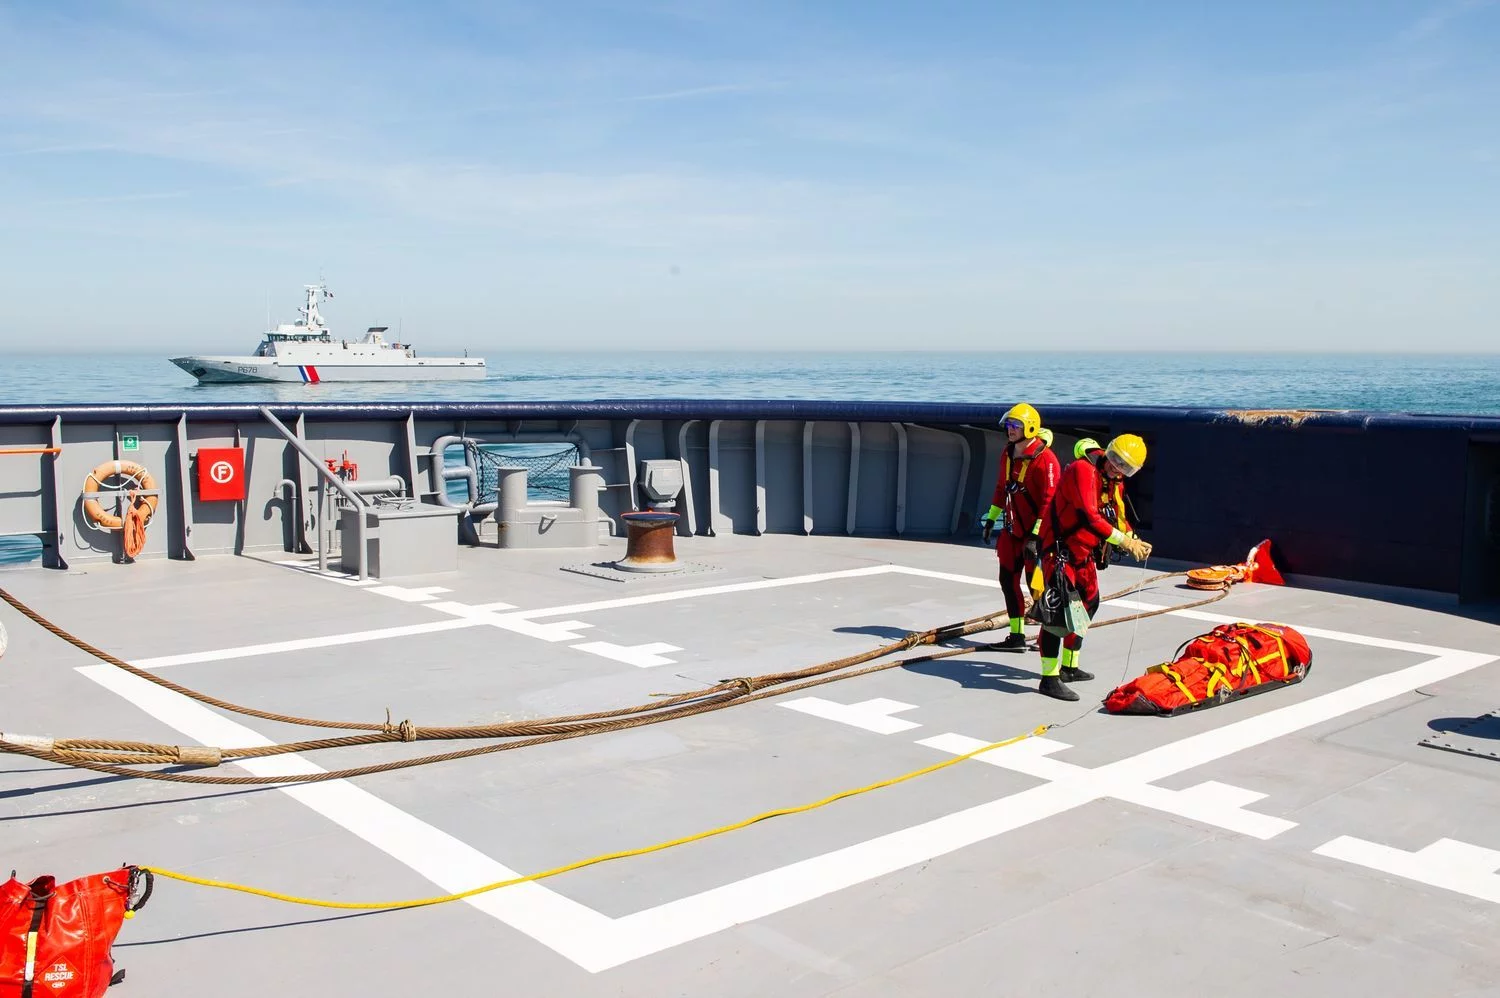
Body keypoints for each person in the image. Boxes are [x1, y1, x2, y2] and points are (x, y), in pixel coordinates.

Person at [1032, 434, 1153, 701]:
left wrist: (1133, 539)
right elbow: (1090, 516)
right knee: (1056, 615)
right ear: (1107, 452)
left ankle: (1069, 666)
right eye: (1115, 459)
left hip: (1084, 553)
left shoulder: (1114, 482)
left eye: (1126, 467)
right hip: (1060, 551)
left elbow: (1117, 516)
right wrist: (1124, 542)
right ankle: (1048, 679)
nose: (1117, 467)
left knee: (1089, 603)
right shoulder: (1083, 470)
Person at [980, 403, 1059, 650]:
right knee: (1007, 580)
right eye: (1009, 424)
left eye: (1016, 425)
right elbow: (1001, 489)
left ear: (1030, 428)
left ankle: (1046, 637)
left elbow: (1049, 501)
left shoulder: (1046, 459)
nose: (1010, 429)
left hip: (1036, 535)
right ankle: (1017, 635)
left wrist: (1035, 537)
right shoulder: (1007, 454)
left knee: (1038, 586)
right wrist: (991, 519)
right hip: (1012, 531)